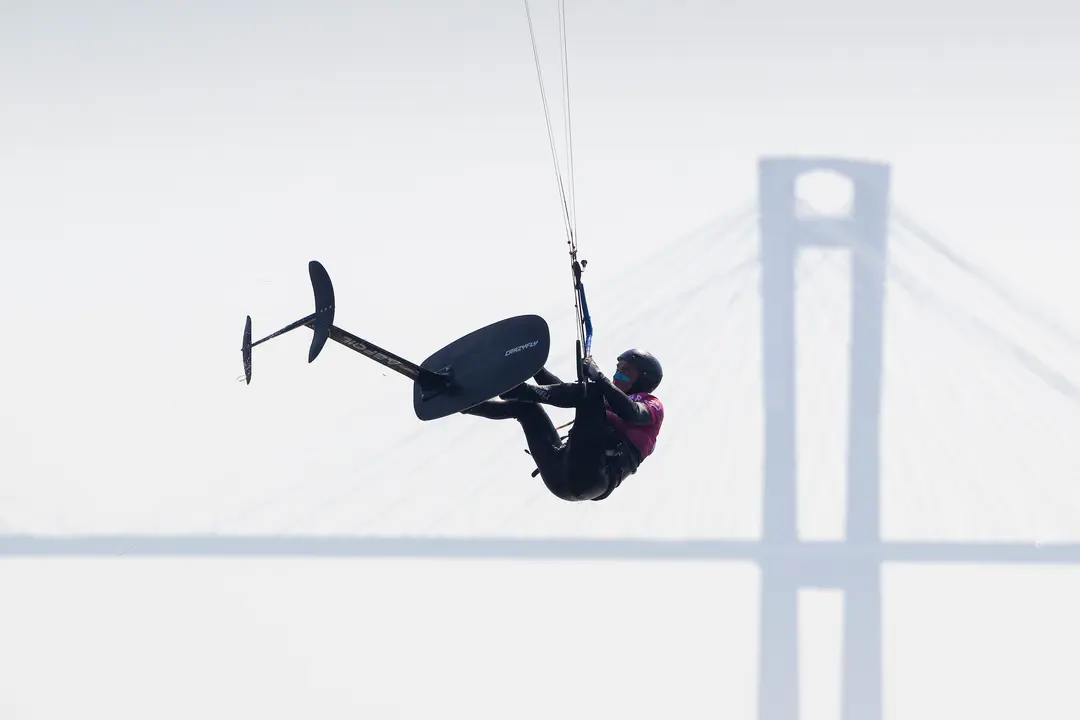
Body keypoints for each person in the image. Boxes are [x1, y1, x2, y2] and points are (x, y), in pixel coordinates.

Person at [460, 349, 664, 501]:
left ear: (642, 381)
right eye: (617, 369)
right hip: (558, 471)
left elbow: (632, 413)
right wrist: (534, 367)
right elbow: (564, 392)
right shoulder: (605, 398)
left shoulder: (651, 404)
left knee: (589, 393)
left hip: (593, 478)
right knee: (527, 410)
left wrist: (598, 378)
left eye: (625, 371)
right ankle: (463, 403)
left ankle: (522, 391)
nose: (616, 375)